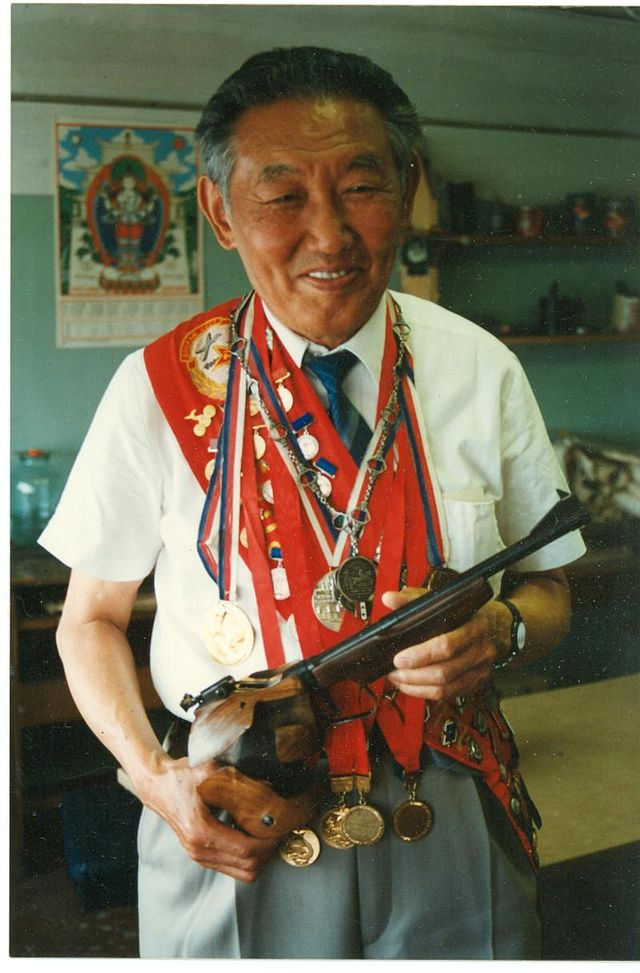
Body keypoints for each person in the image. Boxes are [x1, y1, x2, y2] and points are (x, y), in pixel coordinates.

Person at [40, 46, 586, 960]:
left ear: (408, 188)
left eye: (361, 187)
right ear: (220, 210)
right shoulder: (159, 387)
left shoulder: (481, 367)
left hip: (445, 794)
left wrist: (502, 629)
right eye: (283, 194)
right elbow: (88, 620)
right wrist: (155, 778)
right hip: (240, 801)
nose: (329, 235)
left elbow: (552, 589)